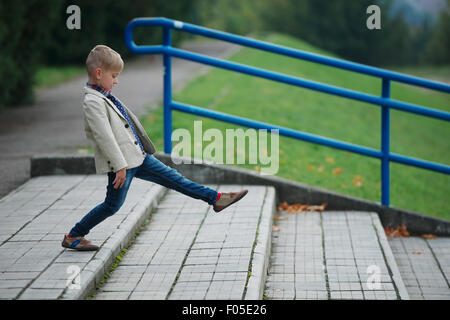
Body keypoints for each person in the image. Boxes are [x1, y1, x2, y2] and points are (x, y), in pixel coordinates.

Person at [62, 45, 248, 251]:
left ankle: (216, 199)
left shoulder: (103, 96)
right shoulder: (93, 101)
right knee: (111, 206)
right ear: (99, 73)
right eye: (114, 76)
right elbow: (104, 137)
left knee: (175, 179)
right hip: (122, 165)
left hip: (138, 157)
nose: (116, 81)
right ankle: (74, 235)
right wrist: (120, 166)